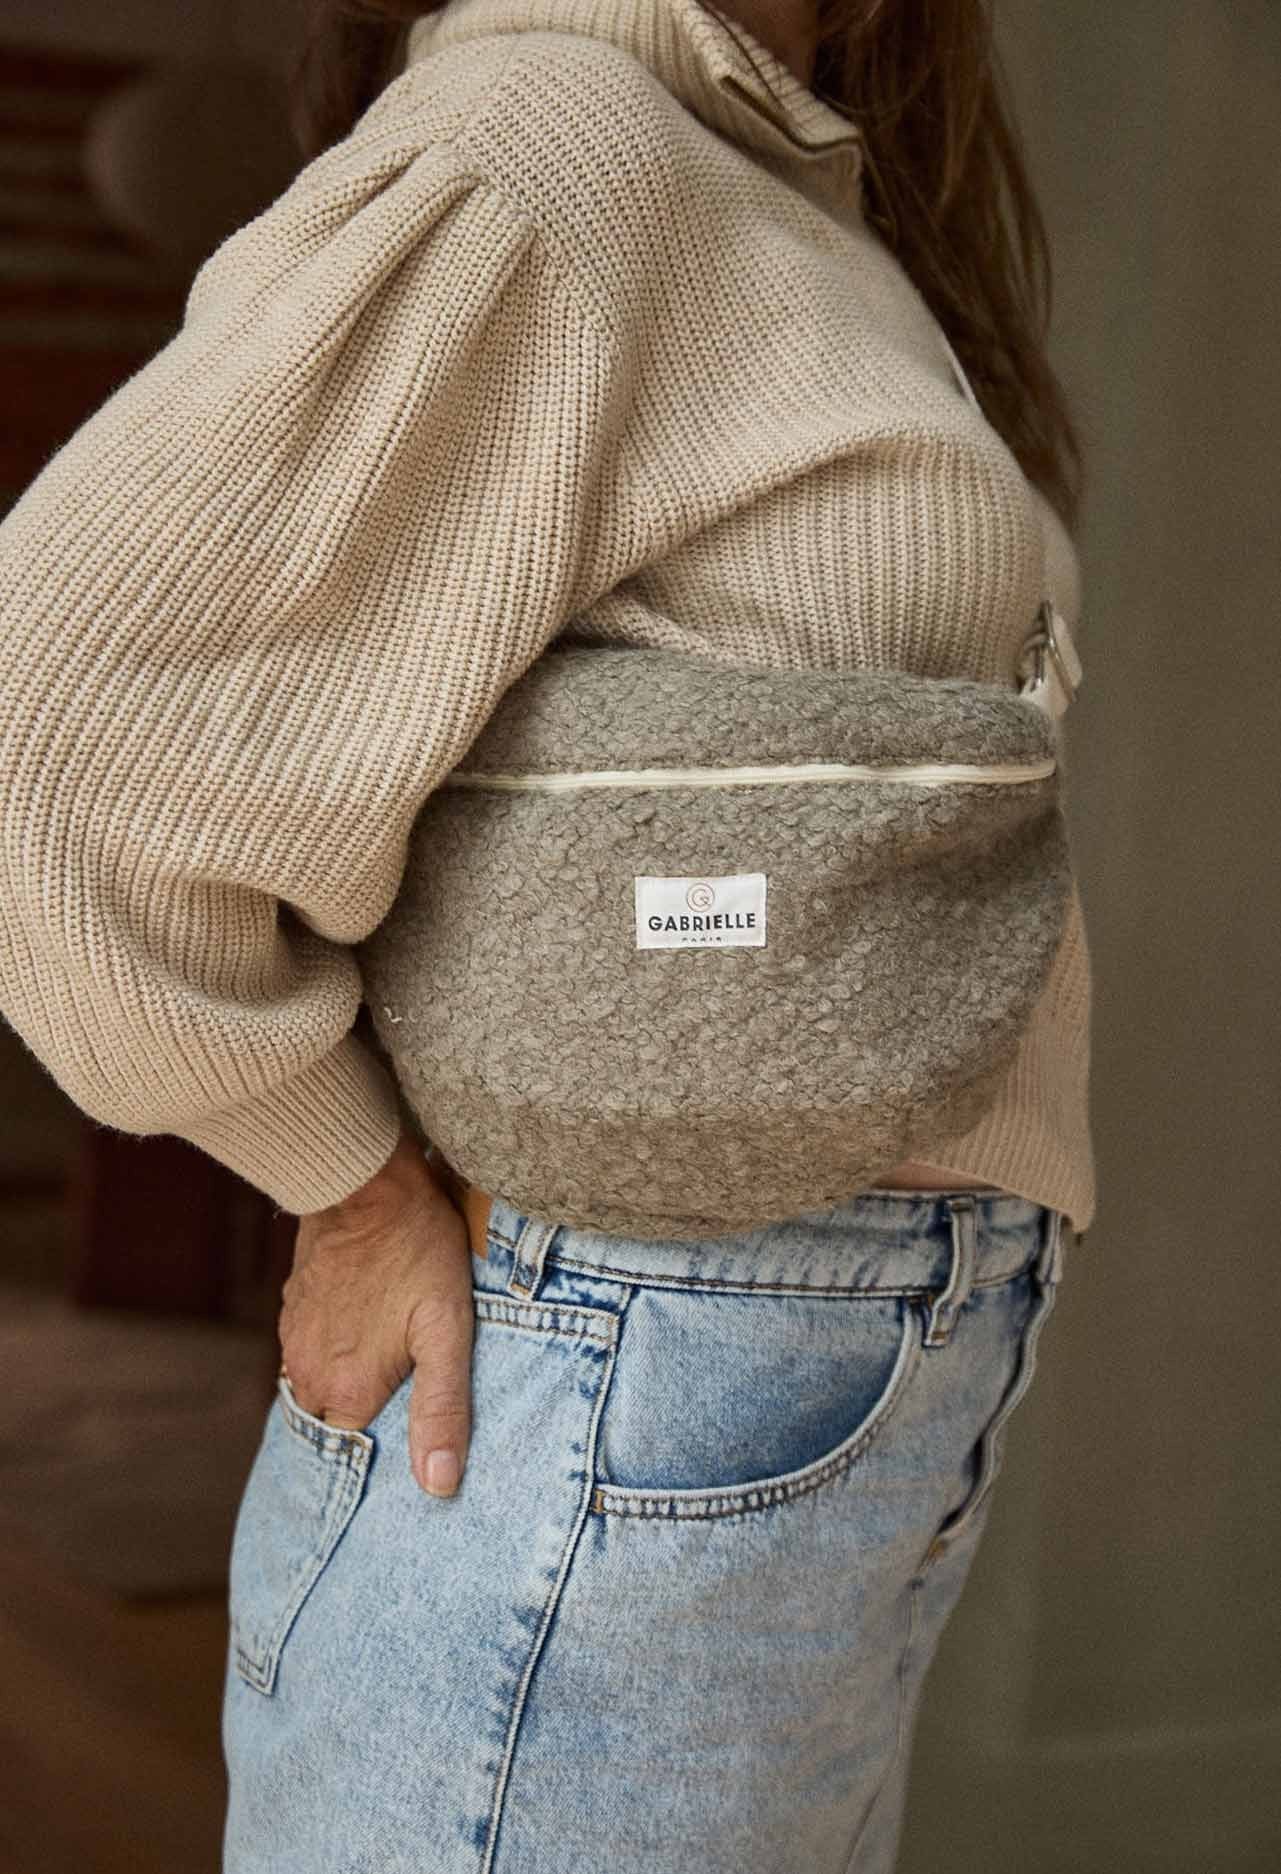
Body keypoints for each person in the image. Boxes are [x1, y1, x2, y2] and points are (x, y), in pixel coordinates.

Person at [0, 1, 1094, 1868]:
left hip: (796, 1374)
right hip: (625, 1363)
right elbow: (54, 730)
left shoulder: (768, 189)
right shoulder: (549, 146)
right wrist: (345, 1182)